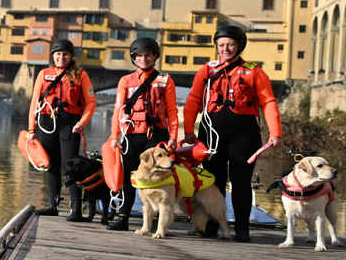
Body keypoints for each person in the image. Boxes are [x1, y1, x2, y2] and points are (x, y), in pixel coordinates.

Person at [184, 25, 282, 242]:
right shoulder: (207, 70)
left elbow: (268, 102)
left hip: (244, 135)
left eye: (230, 44)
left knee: (241, 182)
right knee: (212, 182)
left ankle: (242, 229)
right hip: (211, 134)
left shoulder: (254, 71)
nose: (225, 49)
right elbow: (192, 101)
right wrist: (189, 131)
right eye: (221, 45)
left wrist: (275, 133)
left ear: (239, 45)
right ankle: (210, 227)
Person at [106, 37, 179, 231]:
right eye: (139, 56)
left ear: (155, 56)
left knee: (160, 175)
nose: (143, 59)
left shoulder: (165, 80)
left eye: (147, 55)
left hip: (157, 135)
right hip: (132, 135)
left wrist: (173, 136)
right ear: (134, 58)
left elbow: (172, 110)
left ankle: (160, 221)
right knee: (129, 178)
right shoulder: (125, 81)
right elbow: (118, 110)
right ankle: (123, 218)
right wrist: (115, 137)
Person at [26, 39, 96, 221]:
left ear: (71, 56)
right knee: (50, 164)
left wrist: (82, 122)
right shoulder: (43, 74)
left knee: (70, 165)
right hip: (47, 122)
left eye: (65, 54)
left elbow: (91, 103)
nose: (61, 57)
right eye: (58, 54)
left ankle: (76, 209)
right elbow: (34, 102)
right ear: (53, 56)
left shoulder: (81, 75)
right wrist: (31, 129)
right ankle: (53, 205)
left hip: (70, 123)